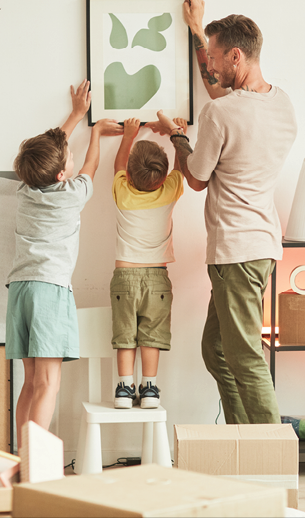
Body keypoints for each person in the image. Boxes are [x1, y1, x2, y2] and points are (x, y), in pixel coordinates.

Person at [146, 0, 297, 424]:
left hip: (235, 251)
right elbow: (221, 97)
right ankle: (241, 439)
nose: (208, 65)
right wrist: (197, 29)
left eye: (213, 56)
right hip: (261, 246)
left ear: (235, 56)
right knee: (217, 350)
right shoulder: (282, 104)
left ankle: (271, 459)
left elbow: (194, 178)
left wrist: (176, 136)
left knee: (245, 357)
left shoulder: (220, 116)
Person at [5, 80, 122, 446]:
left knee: (30, 382)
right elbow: (91, 165)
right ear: (60, 175)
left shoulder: (24, 190)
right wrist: (97, 134)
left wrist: (75, 115)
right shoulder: (72, 194)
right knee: (49, 384)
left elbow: (55, 151)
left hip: (19, 291)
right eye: (65, 158)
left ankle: (23, 456)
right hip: (49, 291)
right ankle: (34, 464)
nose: (71, 156)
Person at [109, 111, 187, 409]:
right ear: (163, 176)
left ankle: (124, 389)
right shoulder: (169, 191)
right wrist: (175, 133)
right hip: (157, 278)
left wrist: (129, 136)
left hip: (124, 277)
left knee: (125, 335)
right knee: (151, 335)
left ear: (128, 176)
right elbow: (180, 168)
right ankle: (150, 389)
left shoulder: (122, 193)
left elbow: (118, 165)